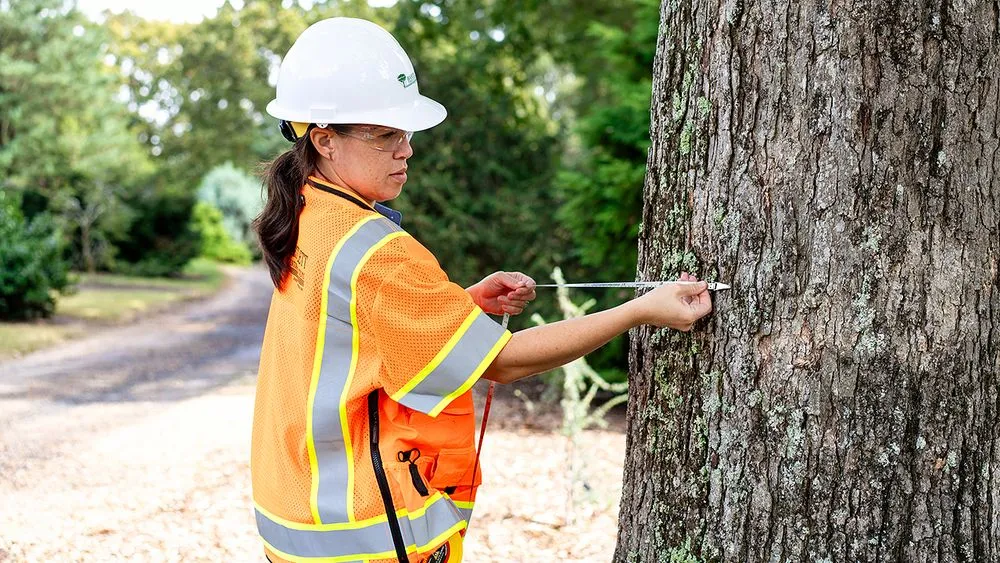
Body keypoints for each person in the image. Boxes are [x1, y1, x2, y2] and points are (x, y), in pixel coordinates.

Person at [250, 17, 713, 563]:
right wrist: (639, 311)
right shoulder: (375, 251)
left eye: (407, 134)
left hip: (297, 520)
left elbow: (353, 334)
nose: (407, 151)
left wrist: (459, 307)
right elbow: (504, 362)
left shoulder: (308, 210)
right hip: (363, 533)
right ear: (324, 139)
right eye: (385, 136)